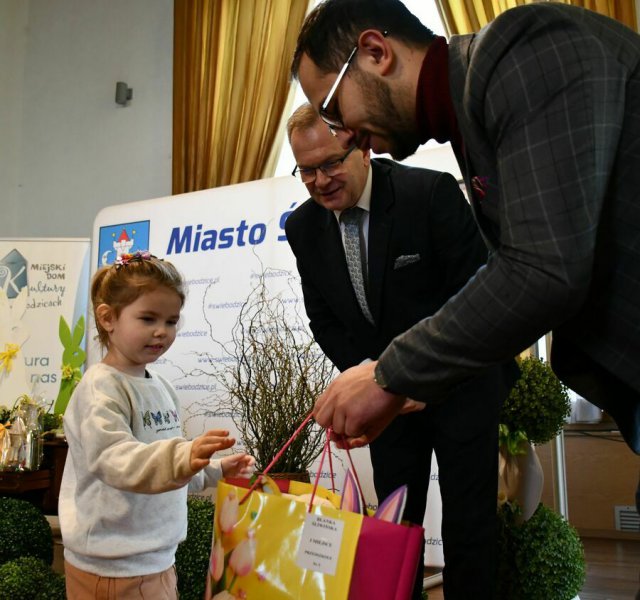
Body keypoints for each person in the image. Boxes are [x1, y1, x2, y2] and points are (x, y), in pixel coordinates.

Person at [291, 0, 640, 456]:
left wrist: (388, 374)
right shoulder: (469, 119)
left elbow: (542, 269)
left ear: (376, 51)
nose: (348, 135)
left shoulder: (522, 49)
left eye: (334, 109)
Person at [285, 103, 518, 599]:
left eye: (331, 163)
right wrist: (377, 383)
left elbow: (477, 300)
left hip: (463, 386)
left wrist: (407, 378)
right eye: (307, 170)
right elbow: (324, 319)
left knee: (469, 528)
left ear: (363, 149)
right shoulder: (302, 228)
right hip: (385, 404)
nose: (320, 180)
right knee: (396, 529)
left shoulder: (428, 194)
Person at [59, 251, 254, 600]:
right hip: (112, 568)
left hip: (156, 560)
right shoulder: (100, 387)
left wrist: (213, 469)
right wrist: (184, 453)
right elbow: (118, 461)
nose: (161, 332)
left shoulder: (161, 387)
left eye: (171, 321)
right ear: (108, 318)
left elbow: (167, 470)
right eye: (148, 318)